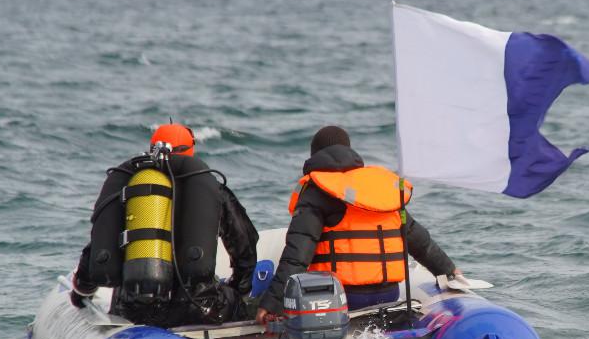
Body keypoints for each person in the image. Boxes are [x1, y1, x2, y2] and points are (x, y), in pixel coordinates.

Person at [256, 125, 460, 324]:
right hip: (388, 295)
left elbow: (297, 256)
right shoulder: (378, 189)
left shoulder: (317, 190)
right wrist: (449, 271)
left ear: (315, 155)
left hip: (340, 298)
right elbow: (420, 241)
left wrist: (271, 303)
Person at [70, 122, 259, 326]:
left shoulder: (134, 190)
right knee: (243, 305)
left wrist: (81, 292)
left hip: (132, 310)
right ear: (190, 151)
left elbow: (100, 241)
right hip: (197, 309)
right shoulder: (209, 190)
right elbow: (244, 245)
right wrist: (239, 287)